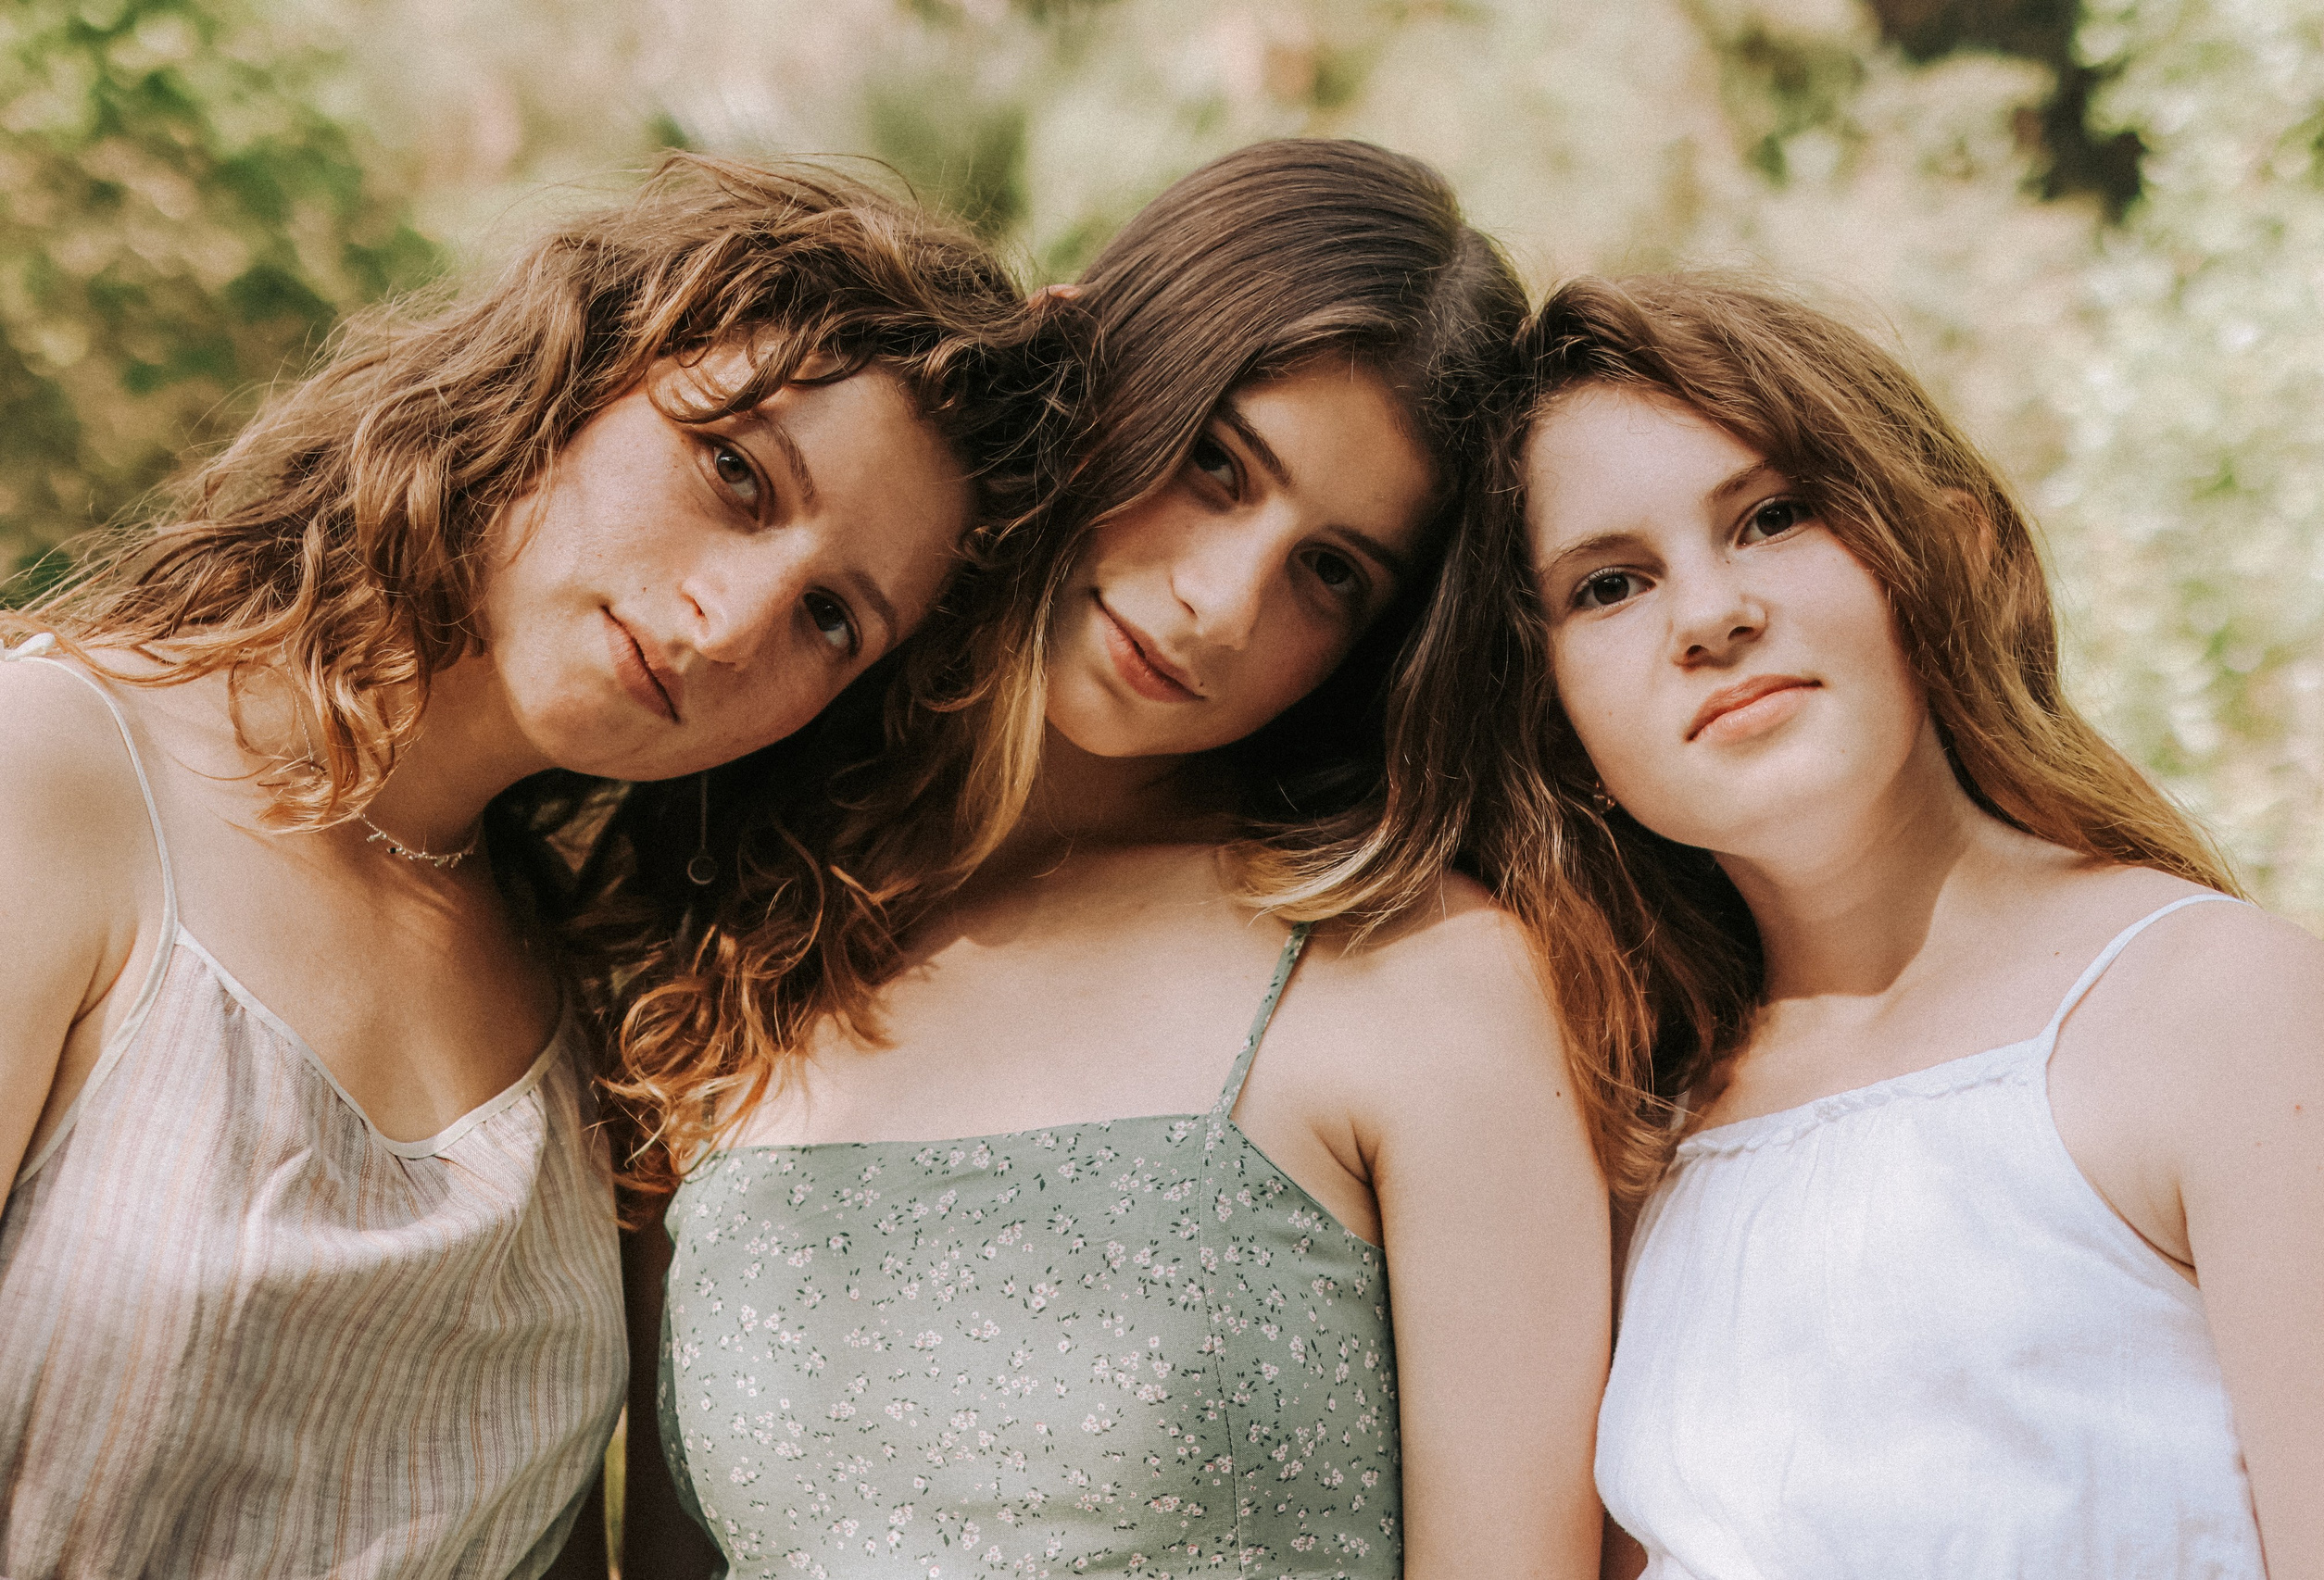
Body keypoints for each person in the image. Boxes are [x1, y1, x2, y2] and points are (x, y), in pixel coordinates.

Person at [0, 154, 1061, 1580]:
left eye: (830, 618)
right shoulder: (58, 770)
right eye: (734, 472)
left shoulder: (609, 1025)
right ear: (575, 372)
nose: (732, 618)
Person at [606, 139, 1612, 1579]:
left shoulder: (1423, 983)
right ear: (1088, 360)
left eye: (1329, 572)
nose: (1218, 601)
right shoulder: (730, 949)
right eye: (1214, 465)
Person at [1463, 273, 2324, 1579]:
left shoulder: (2214, 1007)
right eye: (1610, 584)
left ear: (1934, 549)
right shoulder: (1626, 1140)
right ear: (1561, 724)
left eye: (1771, 517)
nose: (1711, 615)